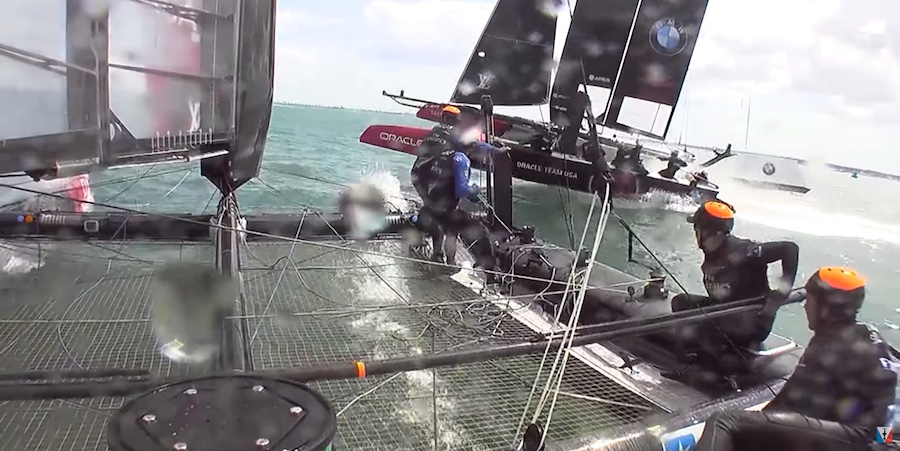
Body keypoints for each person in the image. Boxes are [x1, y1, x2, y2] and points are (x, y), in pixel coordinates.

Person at [693, 266, 897, 451]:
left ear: (828, 308)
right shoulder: (871, 336)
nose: (806, 307)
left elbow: (787, 401)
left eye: (810, 300)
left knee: (724, 420)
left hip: (857, 439)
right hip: (879, 439)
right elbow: (882, 404)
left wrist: (753, 427)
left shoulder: (828, 344)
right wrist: (883, 442)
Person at [672, 200, 799, 373]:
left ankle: (704, 369)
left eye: (698, 229)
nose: (695, 233)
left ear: (713, 233)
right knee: (681, 302)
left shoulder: (745, 251)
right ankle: (692, 356)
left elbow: (789, 248)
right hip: (724, 310)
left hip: (751, 322)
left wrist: (783, 290)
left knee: (708, 327)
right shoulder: (711, 252)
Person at [409, 105, 503, 270]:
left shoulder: (434, 132)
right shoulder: (457, 142)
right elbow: (477, 146)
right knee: (449, 222)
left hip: (419, 177)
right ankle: (449, 261)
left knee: (435, 214)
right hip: (436, 181)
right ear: (457, 121)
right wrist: (496, 150)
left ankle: (435, 252)